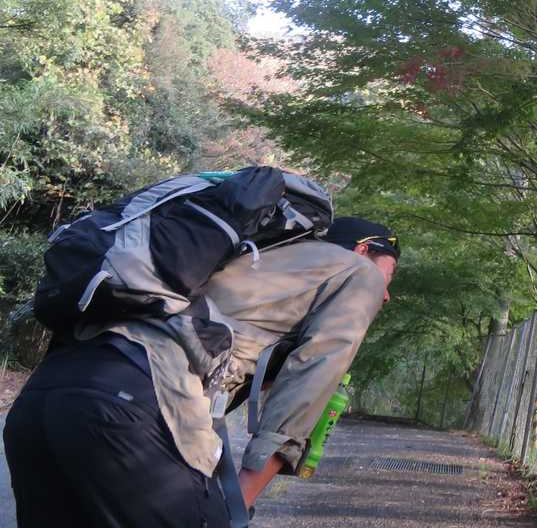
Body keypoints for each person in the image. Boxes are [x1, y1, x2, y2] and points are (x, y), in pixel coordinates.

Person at [3, 215, 400, 527]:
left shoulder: (250, 257)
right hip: (133, 405)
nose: (386, 294)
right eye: (390, 273)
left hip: (43, 397)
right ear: (364, 249)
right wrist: (239, 502)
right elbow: (310, 381)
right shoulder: (357, 271)